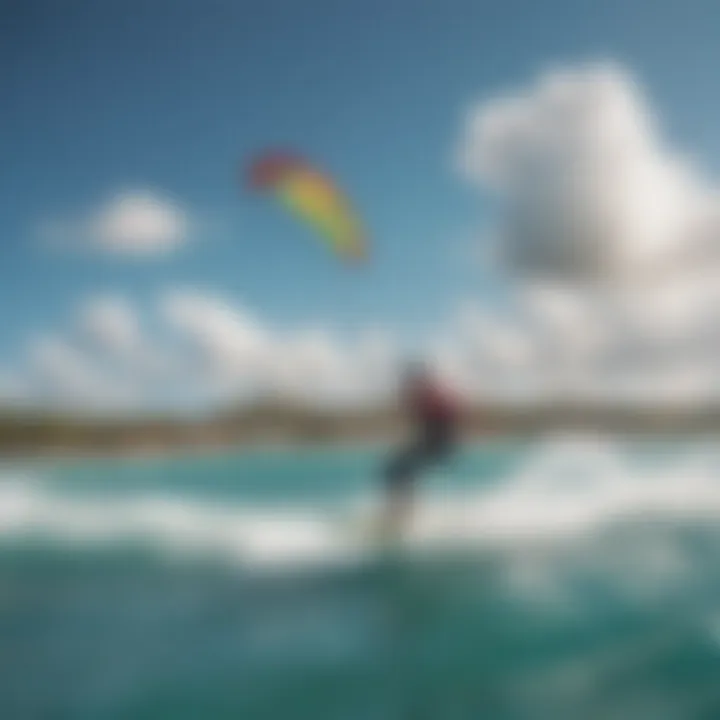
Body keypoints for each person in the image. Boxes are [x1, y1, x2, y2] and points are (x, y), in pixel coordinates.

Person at [380, 361, 461, 536]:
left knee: (398, 469)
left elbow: (445, 422)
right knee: (395, 470)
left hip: (440, 444)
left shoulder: (433, 397)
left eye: (410, 382)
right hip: (432, 442)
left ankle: (403, 515)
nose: (406, 386)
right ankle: (402, 513)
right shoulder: (419, 397)